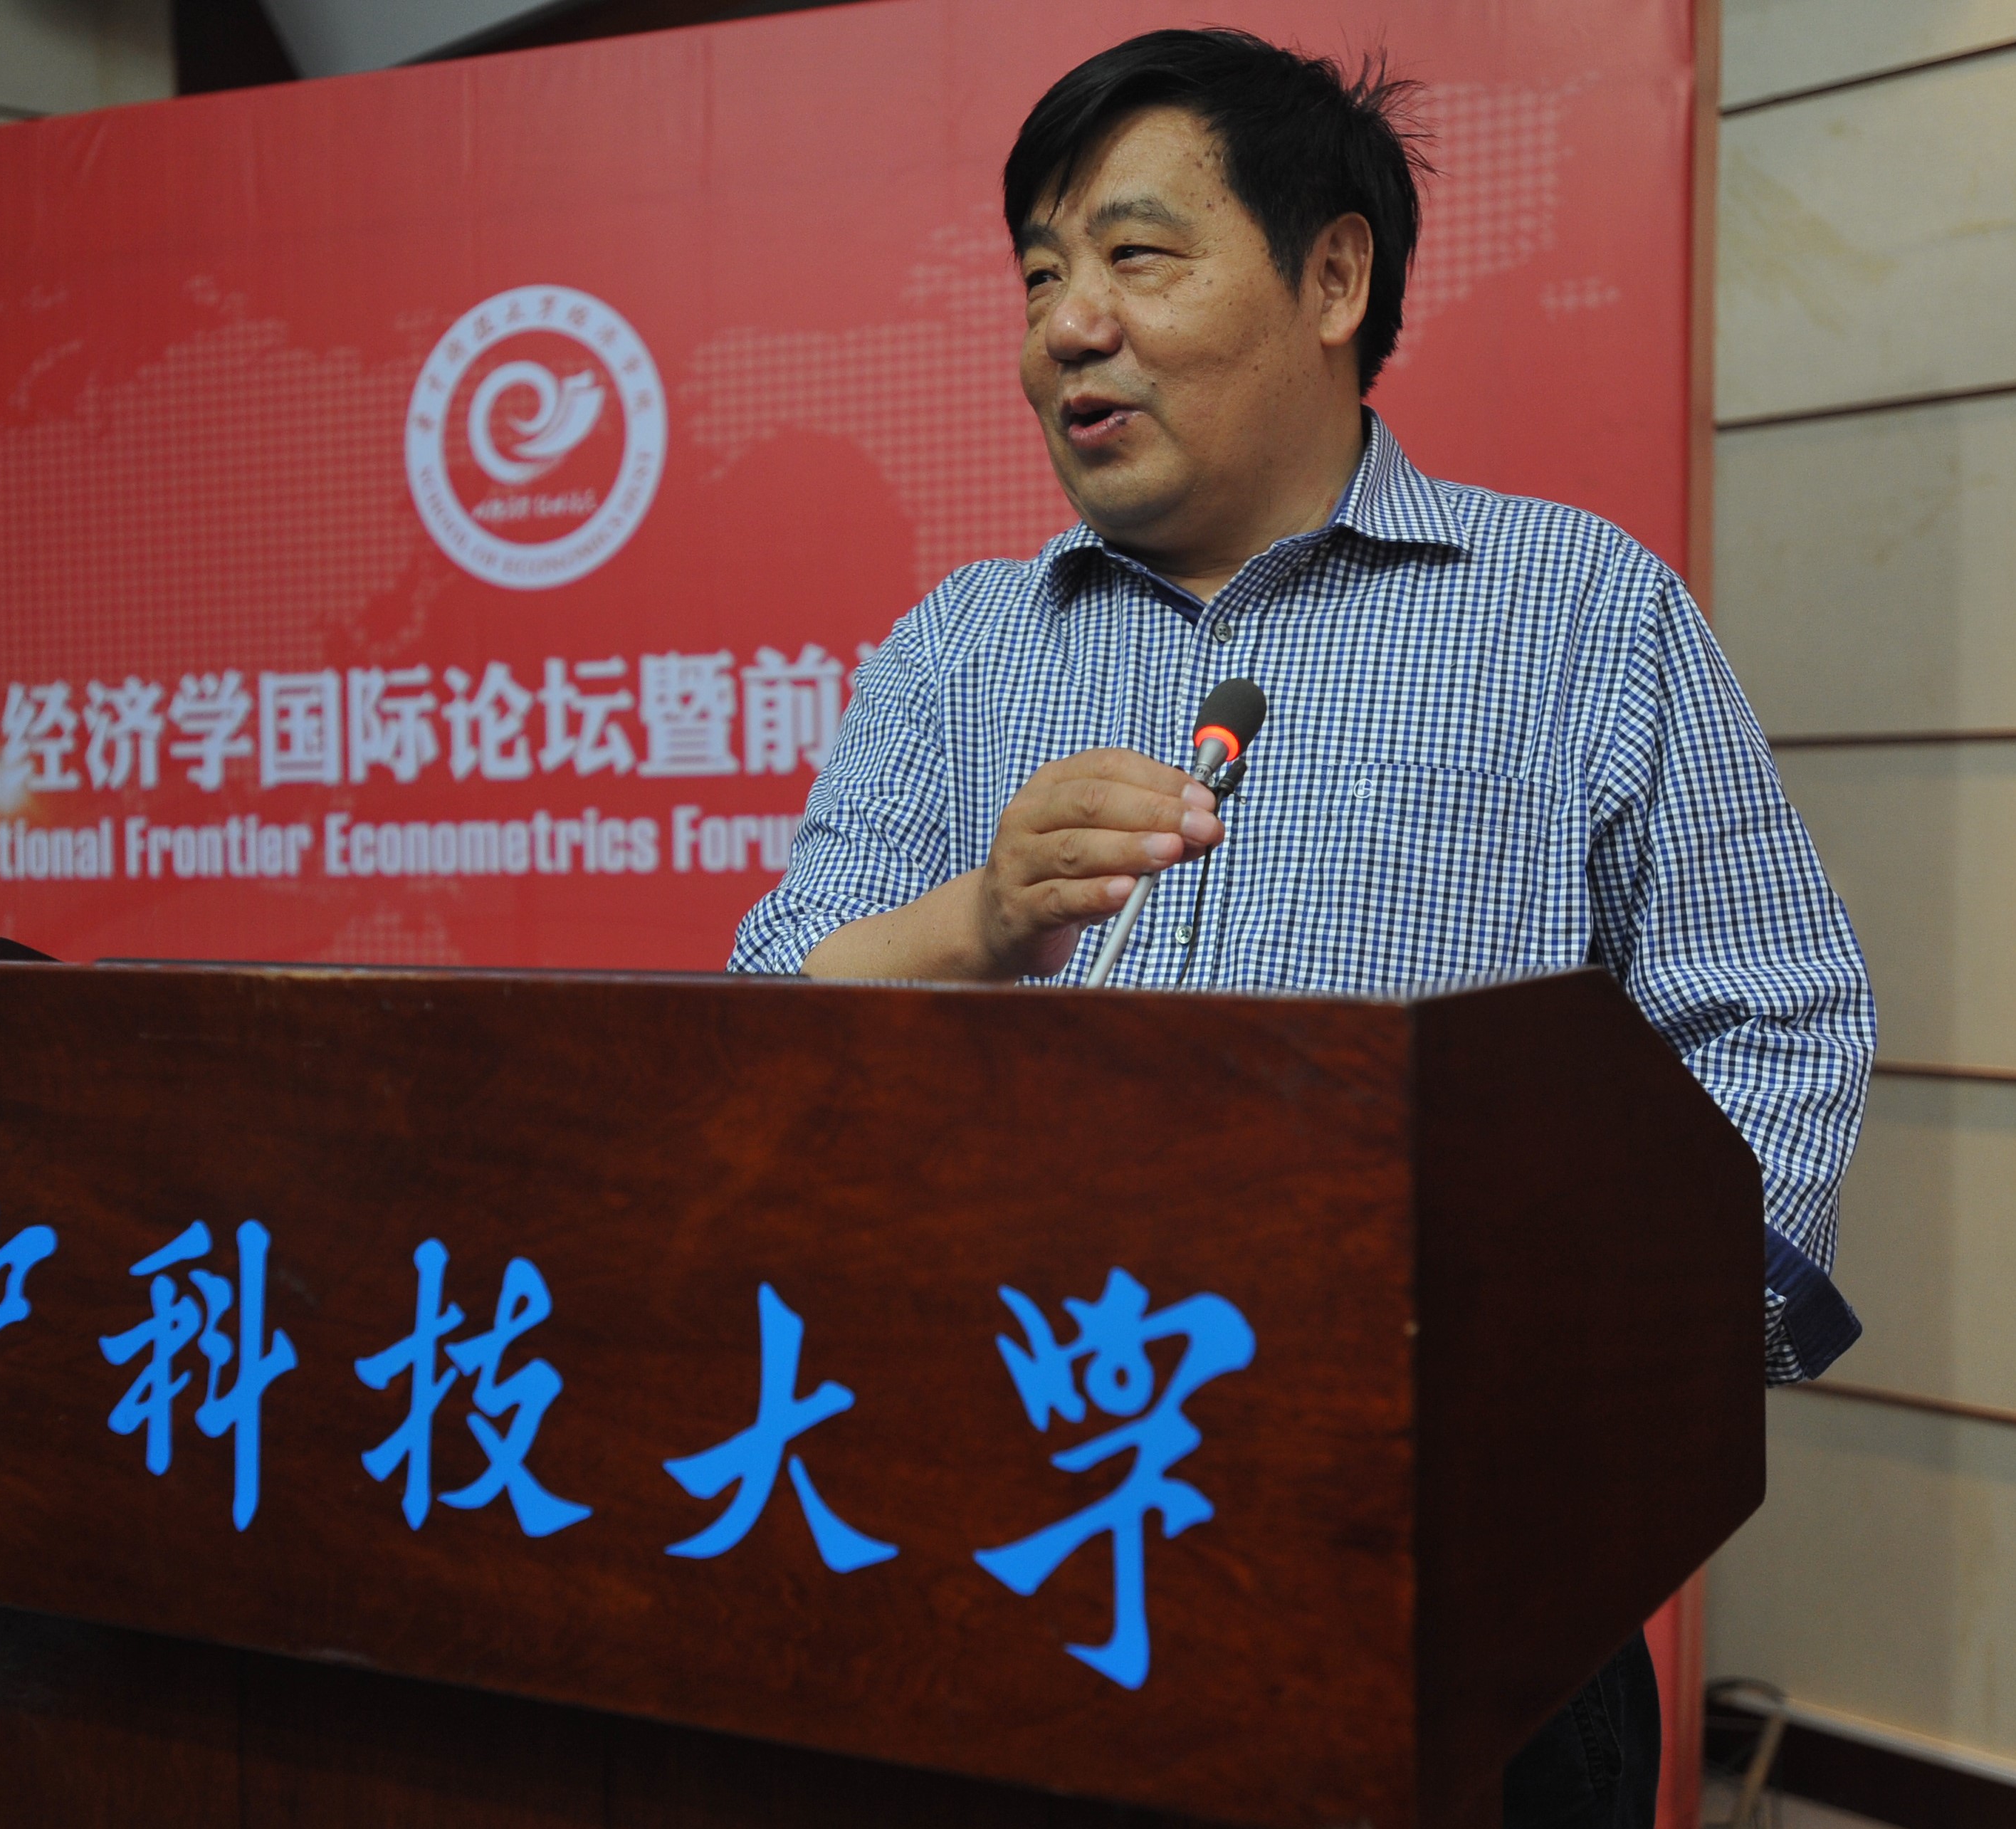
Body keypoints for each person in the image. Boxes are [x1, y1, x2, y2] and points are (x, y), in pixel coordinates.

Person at [728, 28, 1874, 1829]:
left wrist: (1592, 1411)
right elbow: (753, 1019)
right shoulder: (959, 650)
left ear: (1332, 278)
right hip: (1006, 1547)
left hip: (1459, 1591)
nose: (1068, 326)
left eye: (1135, 255)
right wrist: (984, 916)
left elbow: (1771, 1025)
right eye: (1037, 276)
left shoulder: (1576, 612)